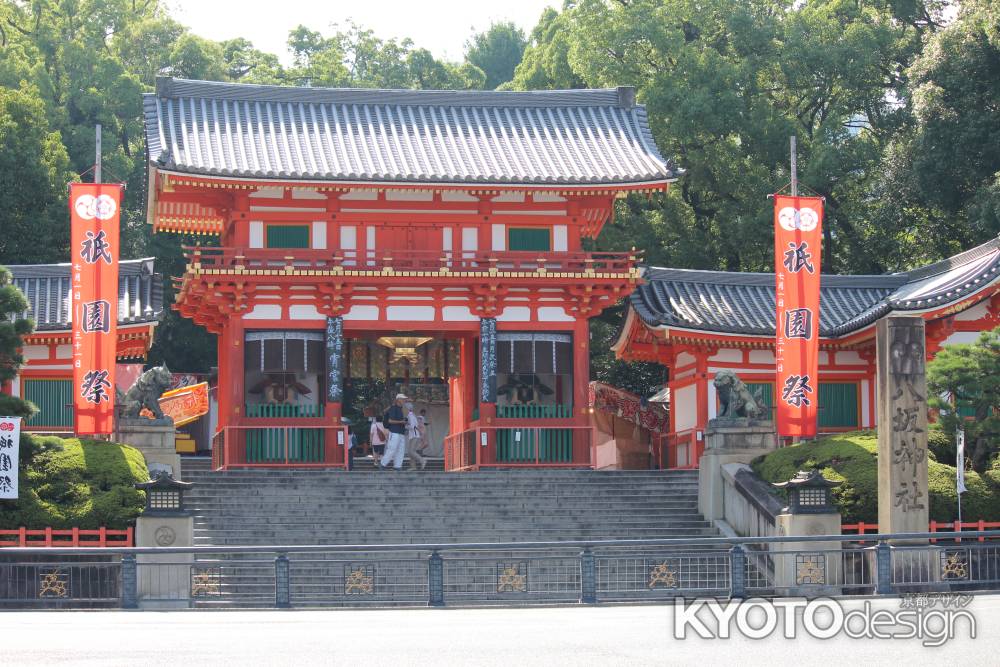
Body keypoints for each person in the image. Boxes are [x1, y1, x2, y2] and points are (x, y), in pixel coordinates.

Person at [379, 393, 408, 471]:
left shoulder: (400, 409)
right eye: (403, 399)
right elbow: (390, 421)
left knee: (400, 450)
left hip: (401, 432)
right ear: (398, 399)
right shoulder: (393, 408)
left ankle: (397, 466)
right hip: (394, 431)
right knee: (392, 448)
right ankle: (383, 464)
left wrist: (403, 422)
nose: (405, 400)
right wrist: (401, 422)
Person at [405, 403, 427, 470]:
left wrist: (405, 426)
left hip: (414, 436)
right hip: (414, 435)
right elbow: (415, 425)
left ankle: (422, 460)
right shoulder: (412, 415)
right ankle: (413, 467)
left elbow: (412, 426)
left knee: (411, 451)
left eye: (404, 408)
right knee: (412, 451)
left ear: (407, 409)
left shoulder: (410, 415)